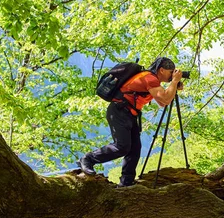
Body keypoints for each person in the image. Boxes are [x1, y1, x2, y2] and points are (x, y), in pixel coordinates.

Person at [78, 57, 183, 187]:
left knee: (134, 149)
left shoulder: (153, 81)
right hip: (119, 111)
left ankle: (126, 182)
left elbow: (162, 102)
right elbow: (165, 99)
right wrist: (174, 81)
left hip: (129, 114)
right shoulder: (149, 77)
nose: (172, 74)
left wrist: (173, 85)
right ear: (161, 70)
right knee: (122, 147)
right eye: (170, 71)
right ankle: (88, 158)